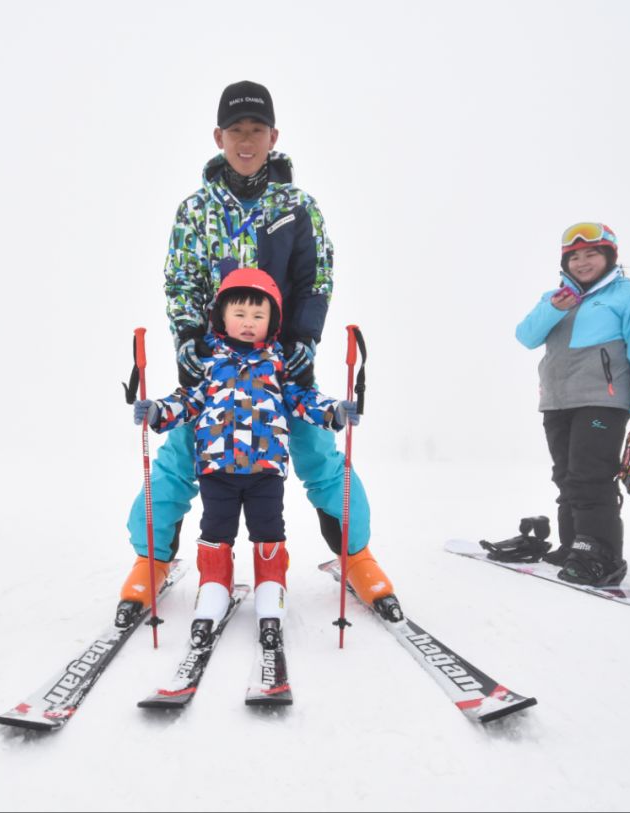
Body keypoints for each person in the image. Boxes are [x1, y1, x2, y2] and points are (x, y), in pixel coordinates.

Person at [119, 80, 395, 619]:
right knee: (178, 460)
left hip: (283, 362)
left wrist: (303, 340)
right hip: (211, 363)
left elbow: (316, 278)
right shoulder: (195, 209)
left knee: (319, 455)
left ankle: (356, 556)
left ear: (274, 136)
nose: (247, 142)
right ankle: (150, 560)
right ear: (219, 136)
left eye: (258, 131)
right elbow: (180, 281)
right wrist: (190, 340)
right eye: (237, 132)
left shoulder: (297, 206)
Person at [131, 269, 362, 646]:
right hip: (217, 468)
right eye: (240, 314)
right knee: (215, 531)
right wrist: (158, 411)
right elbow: (187, 401)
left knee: (268, 531)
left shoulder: (279, 362)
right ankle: (213, 591)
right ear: (222, 316)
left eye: (259, 316)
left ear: (273, 321)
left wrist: (333, 411)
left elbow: (301, 400)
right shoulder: (208, 363)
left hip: (265, 469)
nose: (249, 323)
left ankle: (271, 596)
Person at [515, 222, 630, 586]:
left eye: (591, 254)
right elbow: (526, 336)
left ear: (609, 256)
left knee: (591, 476)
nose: (582, 262)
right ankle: (573, 547)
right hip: (557, 401)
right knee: (565, 475)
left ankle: (601, 554)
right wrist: (553, 308)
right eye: (575, 256)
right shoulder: (555, 297)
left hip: (603, 401)